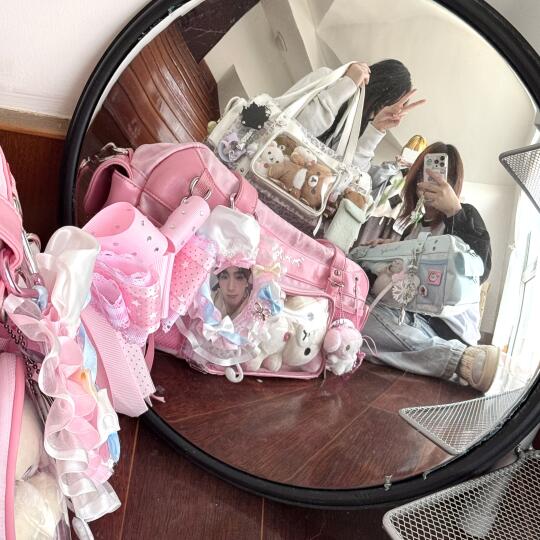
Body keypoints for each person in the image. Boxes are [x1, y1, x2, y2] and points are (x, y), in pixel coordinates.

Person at [360, 142, 499, 393]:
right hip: (411, 320)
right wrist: (392, 249)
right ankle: (443, 359)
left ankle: (459, 358)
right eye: (423, 174)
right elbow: (409, 276)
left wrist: (454, 211)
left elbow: (481, 269)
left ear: (452, 182)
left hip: (446, 328)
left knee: (360, 319)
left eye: (439, 175)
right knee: (355, 314)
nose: (428, 181)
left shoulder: (465, 214)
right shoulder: (414, 227)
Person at [278, 60, 426, 172]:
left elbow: (347, 175)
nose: (376, 112)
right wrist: (347, 85)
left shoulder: (362, 128)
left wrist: (376, 130)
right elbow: (293, 128)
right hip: (271, 159)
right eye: (382, 103)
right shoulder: (327, 78)